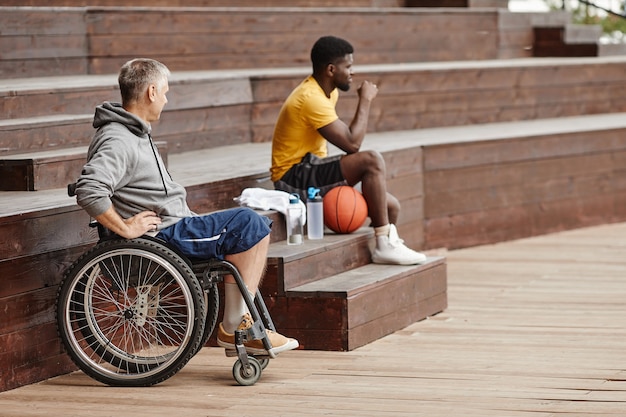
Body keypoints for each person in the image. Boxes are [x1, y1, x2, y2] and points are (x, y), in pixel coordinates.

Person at [75, 58, 298, 357]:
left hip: (174, 227)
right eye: (165, 92)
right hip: (164, 236)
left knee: (250, 227)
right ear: (151, 92)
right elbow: (89, 190)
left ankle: (237, 324)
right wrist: (126, 227)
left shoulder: (135, 133)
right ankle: (234, 328)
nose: (166, 100)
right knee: (248, 223)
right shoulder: (118, 140)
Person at [270, 36, 427, 265]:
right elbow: (352, 144)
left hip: (311, 167)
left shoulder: (328, 91)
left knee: (390, 207)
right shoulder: (309, 98)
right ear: (331, 69)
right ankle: (384, 244)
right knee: (371, 160)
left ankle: (382, 249)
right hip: (292, 177)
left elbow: (347, 141)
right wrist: (365, 100)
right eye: (349, 66)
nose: (353, 72)